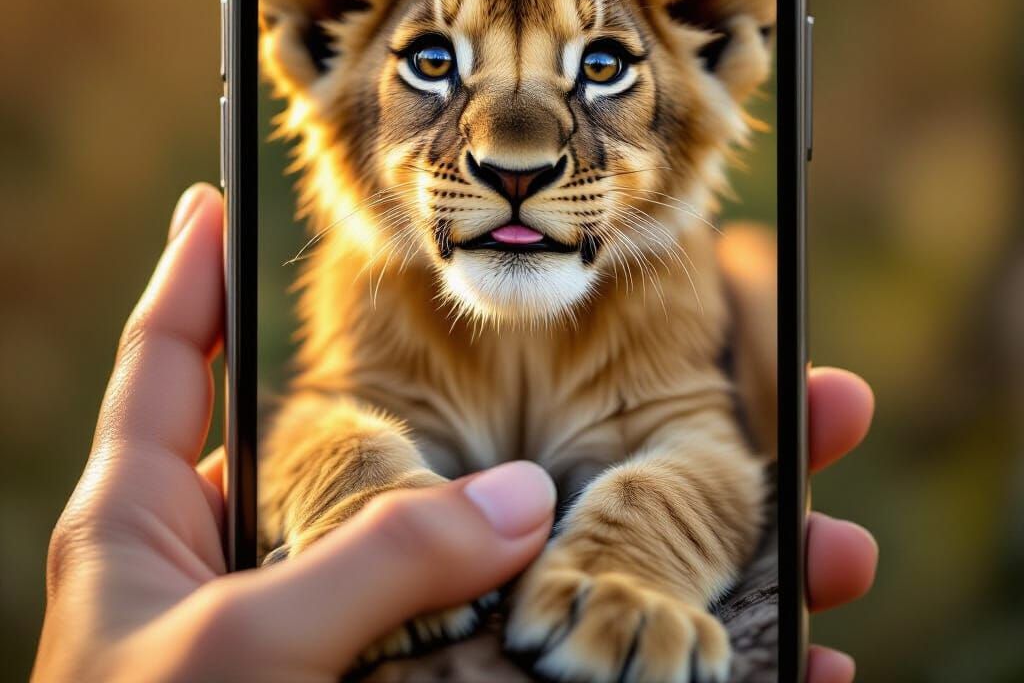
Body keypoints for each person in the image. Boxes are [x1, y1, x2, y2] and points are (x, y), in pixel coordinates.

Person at [32, 184, 877, 683]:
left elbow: (709, 456)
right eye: (434, 61)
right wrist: (355, 492)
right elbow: (314, 430)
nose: (516, 149)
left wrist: (643, 548)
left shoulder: (684, 278)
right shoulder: (366, 276)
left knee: (759, 278)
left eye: (603, 64)